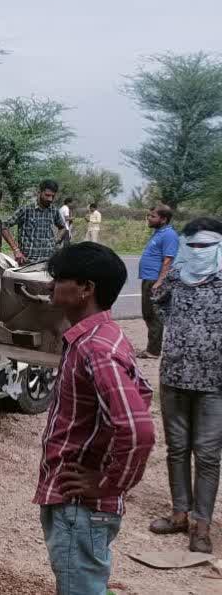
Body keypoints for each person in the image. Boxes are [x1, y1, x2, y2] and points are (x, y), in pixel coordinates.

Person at [35, 242, 154, 594]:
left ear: (85, 288)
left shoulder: (95, 348)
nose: (52, 285)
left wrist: (109, 483)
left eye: (59, 279)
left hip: (81, 507)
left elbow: (137, 428)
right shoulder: (104, 337)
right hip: (78, 506)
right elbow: (142, 394)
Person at [147, 217, 222, 553]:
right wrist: (177, 329)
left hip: (214, 383)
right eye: (190, 245)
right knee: (176, 449)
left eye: (204, 246)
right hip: (174, 376)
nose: (197, 251)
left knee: (207, 455)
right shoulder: (177, 277)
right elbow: (156, 299)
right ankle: (179, 515)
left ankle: (201, 526)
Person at [138, 204, 178, 359]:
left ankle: (154, 351)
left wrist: (159, 282)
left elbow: (168, 260)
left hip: (155, 280)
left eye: (153, 216)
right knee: (147, 313)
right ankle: (152, 348)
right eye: (149, 215)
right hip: (149, 278)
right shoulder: (158, 233)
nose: (149, 218)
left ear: (163, 219)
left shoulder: (169, 235)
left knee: (154, 315)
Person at [6, 179, 68, 265]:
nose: (50, 199)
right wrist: (16, 250)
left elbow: (62, 227)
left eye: (53, 196)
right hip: (27, 262)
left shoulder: (54, 210)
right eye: (47, 195)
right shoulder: (26, 209)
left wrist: (56, 240)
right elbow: (3, 226)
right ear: (39, 192)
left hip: (48, 262)